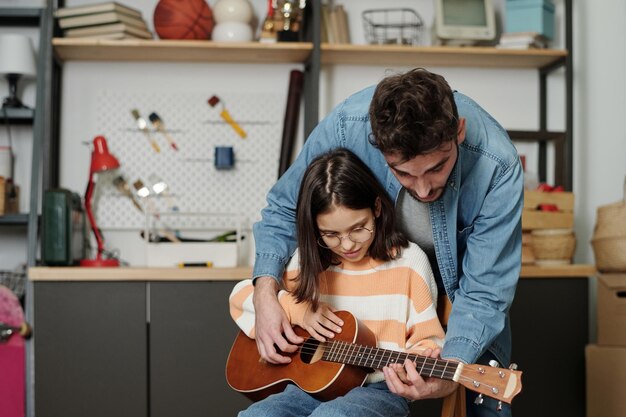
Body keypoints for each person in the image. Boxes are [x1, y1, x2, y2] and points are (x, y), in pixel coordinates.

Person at [251, 68, 523, 416]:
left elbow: (485, 291)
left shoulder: (497, 164)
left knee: (485, 407)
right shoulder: (346, 127)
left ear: (459, 132)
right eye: (404, 172)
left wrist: (452, 365)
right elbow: (284, 208)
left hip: (461, 298)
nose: (423, 189)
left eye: (437, 168)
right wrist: (266, 294)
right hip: (361, 308)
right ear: (376, 146)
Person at [230, 148, 445, 416]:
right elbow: (240, 297)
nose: (347, 245)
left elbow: (430, 343)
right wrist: (297, 310)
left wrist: (417, 362)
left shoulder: (409, 262)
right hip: (307, 390)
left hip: (379, 391)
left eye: (358, 228)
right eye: (331, 234)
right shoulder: (306, 261)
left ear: (377, 208)